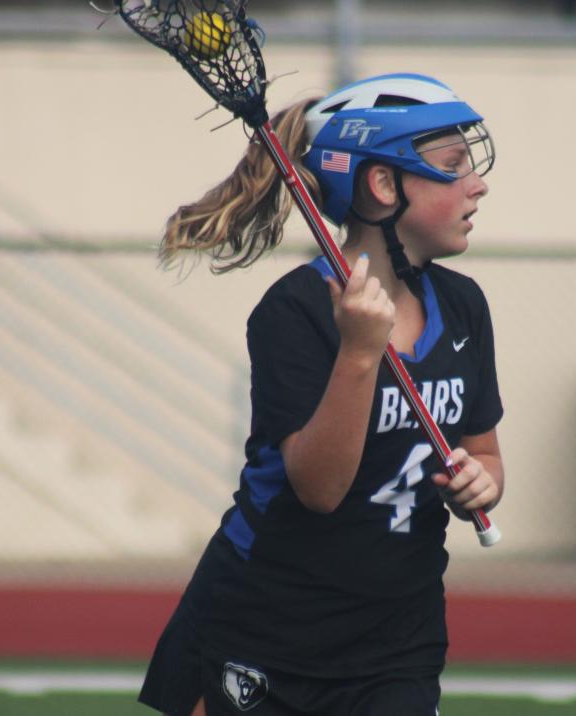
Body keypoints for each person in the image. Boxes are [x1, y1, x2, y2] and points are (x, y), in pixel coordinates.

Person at [138, 73, 505, 716]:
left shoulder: (465, 307)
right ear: (382, 184)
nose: (477, 183)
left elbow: (485, 455)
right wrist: (360, 352)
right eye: (452, 166)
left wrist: (483, 482)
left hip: (397, 638)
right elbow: (319, 487)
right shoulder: (295, 312)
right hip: (269, 626)